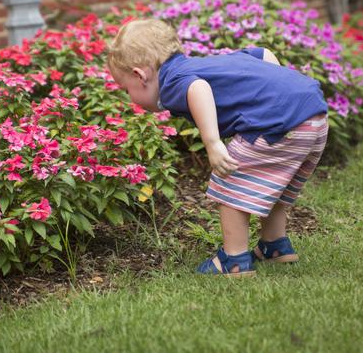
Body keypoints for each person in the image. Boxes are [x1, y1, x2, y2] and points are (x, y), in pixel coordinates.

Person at [107, 18, 329, 277]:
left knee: (229, 182)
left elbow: (198, 89)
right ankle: (275, 245)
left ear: (140, 75)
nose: (129, 97)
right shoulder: (208, 64)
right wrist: (275, 93)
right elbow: (263, 54)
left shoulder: (172, 81)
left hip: (276, 125)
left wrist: (212, 143)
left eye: (126, 89)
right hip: (314, 116)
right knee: (273, 183)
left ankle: (234, 260)